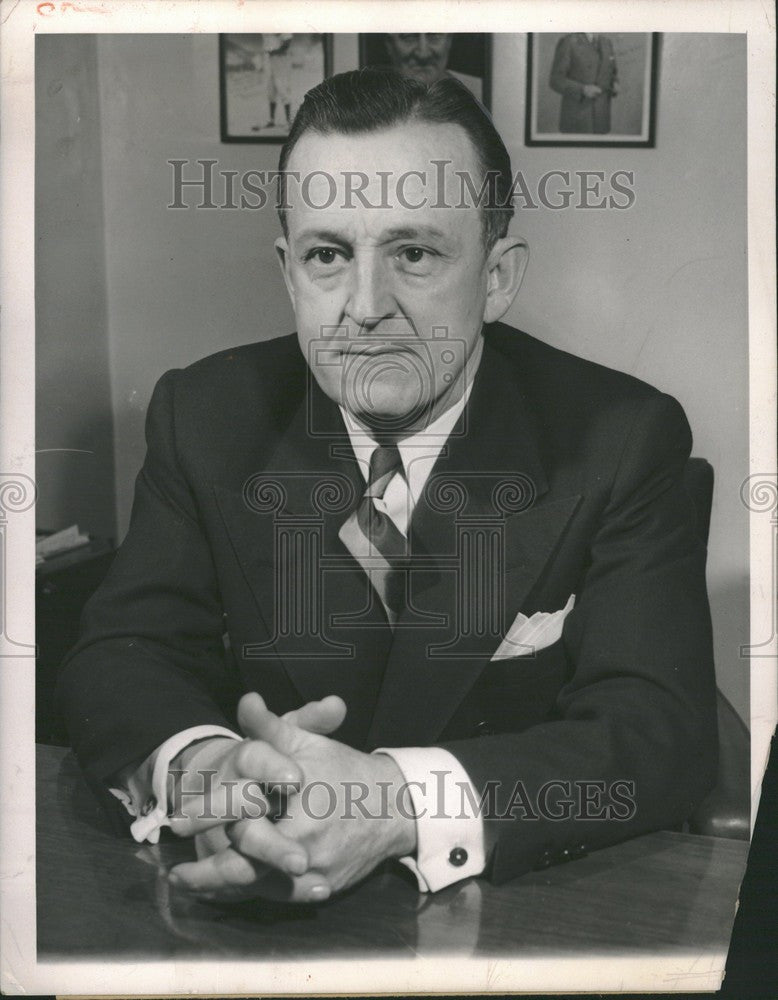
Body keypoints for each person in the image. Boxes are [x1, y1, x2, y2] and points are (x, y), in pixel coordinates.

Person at [58, 68, 717, 905]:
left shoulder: (622, 436)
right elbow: (126, 650)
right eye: (328, 255)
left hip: (506, 909)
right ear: (289, 273)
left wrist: (397, 801)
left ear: (498, 276)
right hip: (257, 887)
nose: (365, 307)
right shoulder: (203, 413)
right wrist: (203, 764)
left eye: (414, 253)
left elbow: (656, 733)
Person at [549, 33, 619, 134]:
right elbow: (555, 79)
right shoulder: (569, 41)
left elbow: (612, 72)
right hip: (577, 121)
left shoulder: (607, 42)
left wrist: (615, 83)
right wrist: (582, 89)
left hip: (602, 120)